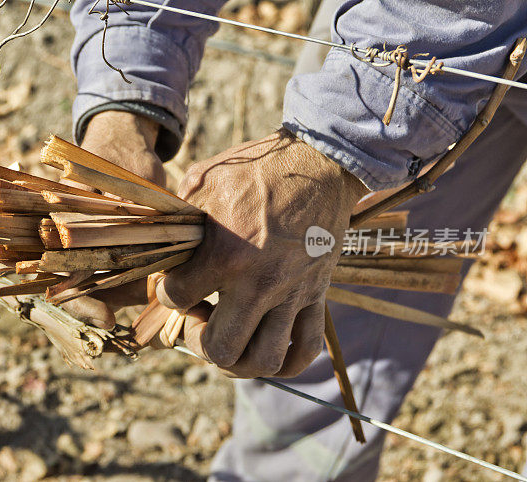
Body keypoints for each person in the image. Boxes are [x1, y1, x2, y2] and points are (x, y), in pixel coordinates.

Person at [67, 1, 527, 480]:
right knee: (296, 312)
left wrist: (335, 145)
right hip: (394, 31)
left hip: (415, 43)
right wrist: (121, 111)